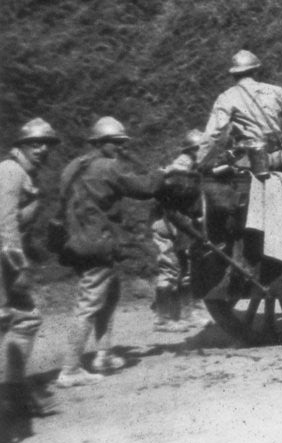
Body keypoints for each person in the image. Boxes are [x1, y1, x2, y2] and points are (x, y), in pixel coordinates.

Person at [56, 117, 162, 388]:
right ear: (101, 143)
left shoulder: (73, 166)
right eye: (116, 142)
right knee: (89, 303)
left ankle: (103, 355)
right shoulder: (108, 167)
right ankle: (70, 369)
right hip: (98, 244)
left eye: (121, 142)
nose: (120, 147)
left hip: (76, 242)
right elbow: (144, 188)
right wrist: (164, 173)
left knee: (110, 294)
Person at [0, 118, 60, 422]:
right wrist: (19, 266)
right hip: (4, 260)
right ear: (20, 146)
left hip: (6, 259)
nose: (41, 150)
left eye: (46, 145)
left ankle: (12, 391)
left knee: (25, 319)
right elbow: (5, 223)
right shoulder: (10, 171)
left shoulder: (25, 174)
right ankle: (12, 392)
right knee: (13, 319)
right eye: (34, 144)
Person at [195, 49, 282, 174]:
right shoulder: (275, 90)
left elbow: (214, 134)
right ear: (256, 71)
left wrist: (201, 162)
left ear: (234, 75)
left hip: (251, 164)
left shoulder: (226, 98)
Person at [151, 129, 211, 332]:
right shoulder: (177, 171)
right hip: (167, 225)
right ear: (194, 150)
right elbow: (171, 206)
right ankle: (162, 319)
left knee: (186, 271)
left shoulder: (192, 169)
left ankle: (188, 315)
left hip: (183, 224)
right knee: (169, 270)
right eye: (202, 149)